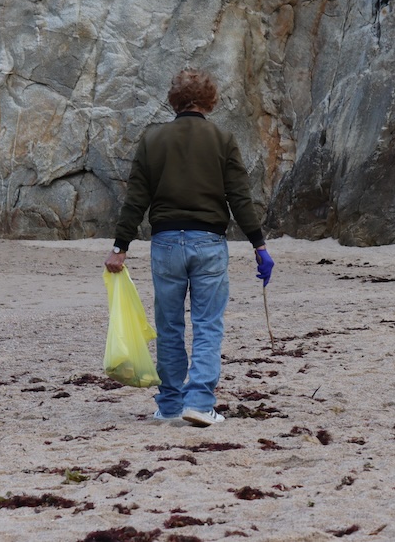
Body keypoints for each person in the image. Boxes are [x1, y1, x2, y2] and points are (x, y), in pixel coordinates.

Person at [104, 68, 274, 428]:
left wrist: (120, 247)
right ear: (210, 100)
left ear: (175, 100)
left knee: (169, 325)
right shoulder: (222, 139)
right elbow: (240, 198)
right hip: (209, 243)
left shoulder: (153, 140)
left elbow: (135, 200)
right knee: (207, 324)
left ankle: (169, 404)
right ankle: (199, 401)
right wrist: (259, 246)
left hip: (165, 243)